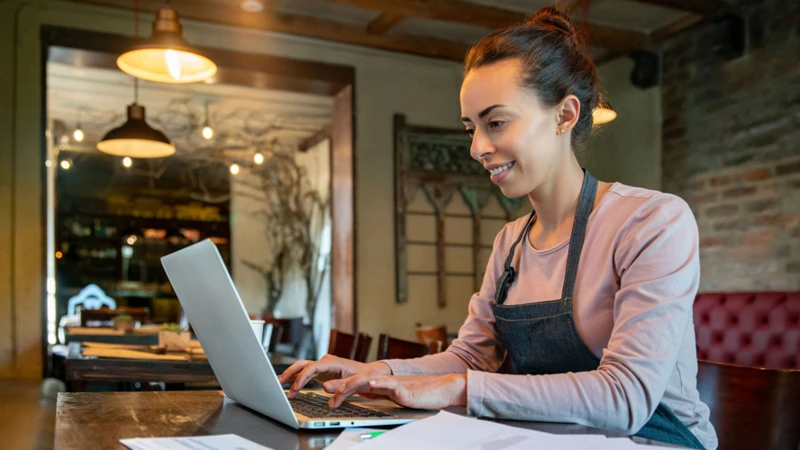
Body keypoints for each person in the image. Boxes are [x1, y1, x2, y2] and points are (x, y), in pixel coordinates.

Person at [279, 6, 717, 450]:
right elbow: (470, 357)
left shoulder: (652, 221)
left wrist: (460, 388)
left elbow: (626, 398)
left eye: (496, 123)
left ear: (565, 116)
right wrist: (380, 371)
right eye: (472, 128)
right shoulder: (511, 242)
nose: (477, 148)